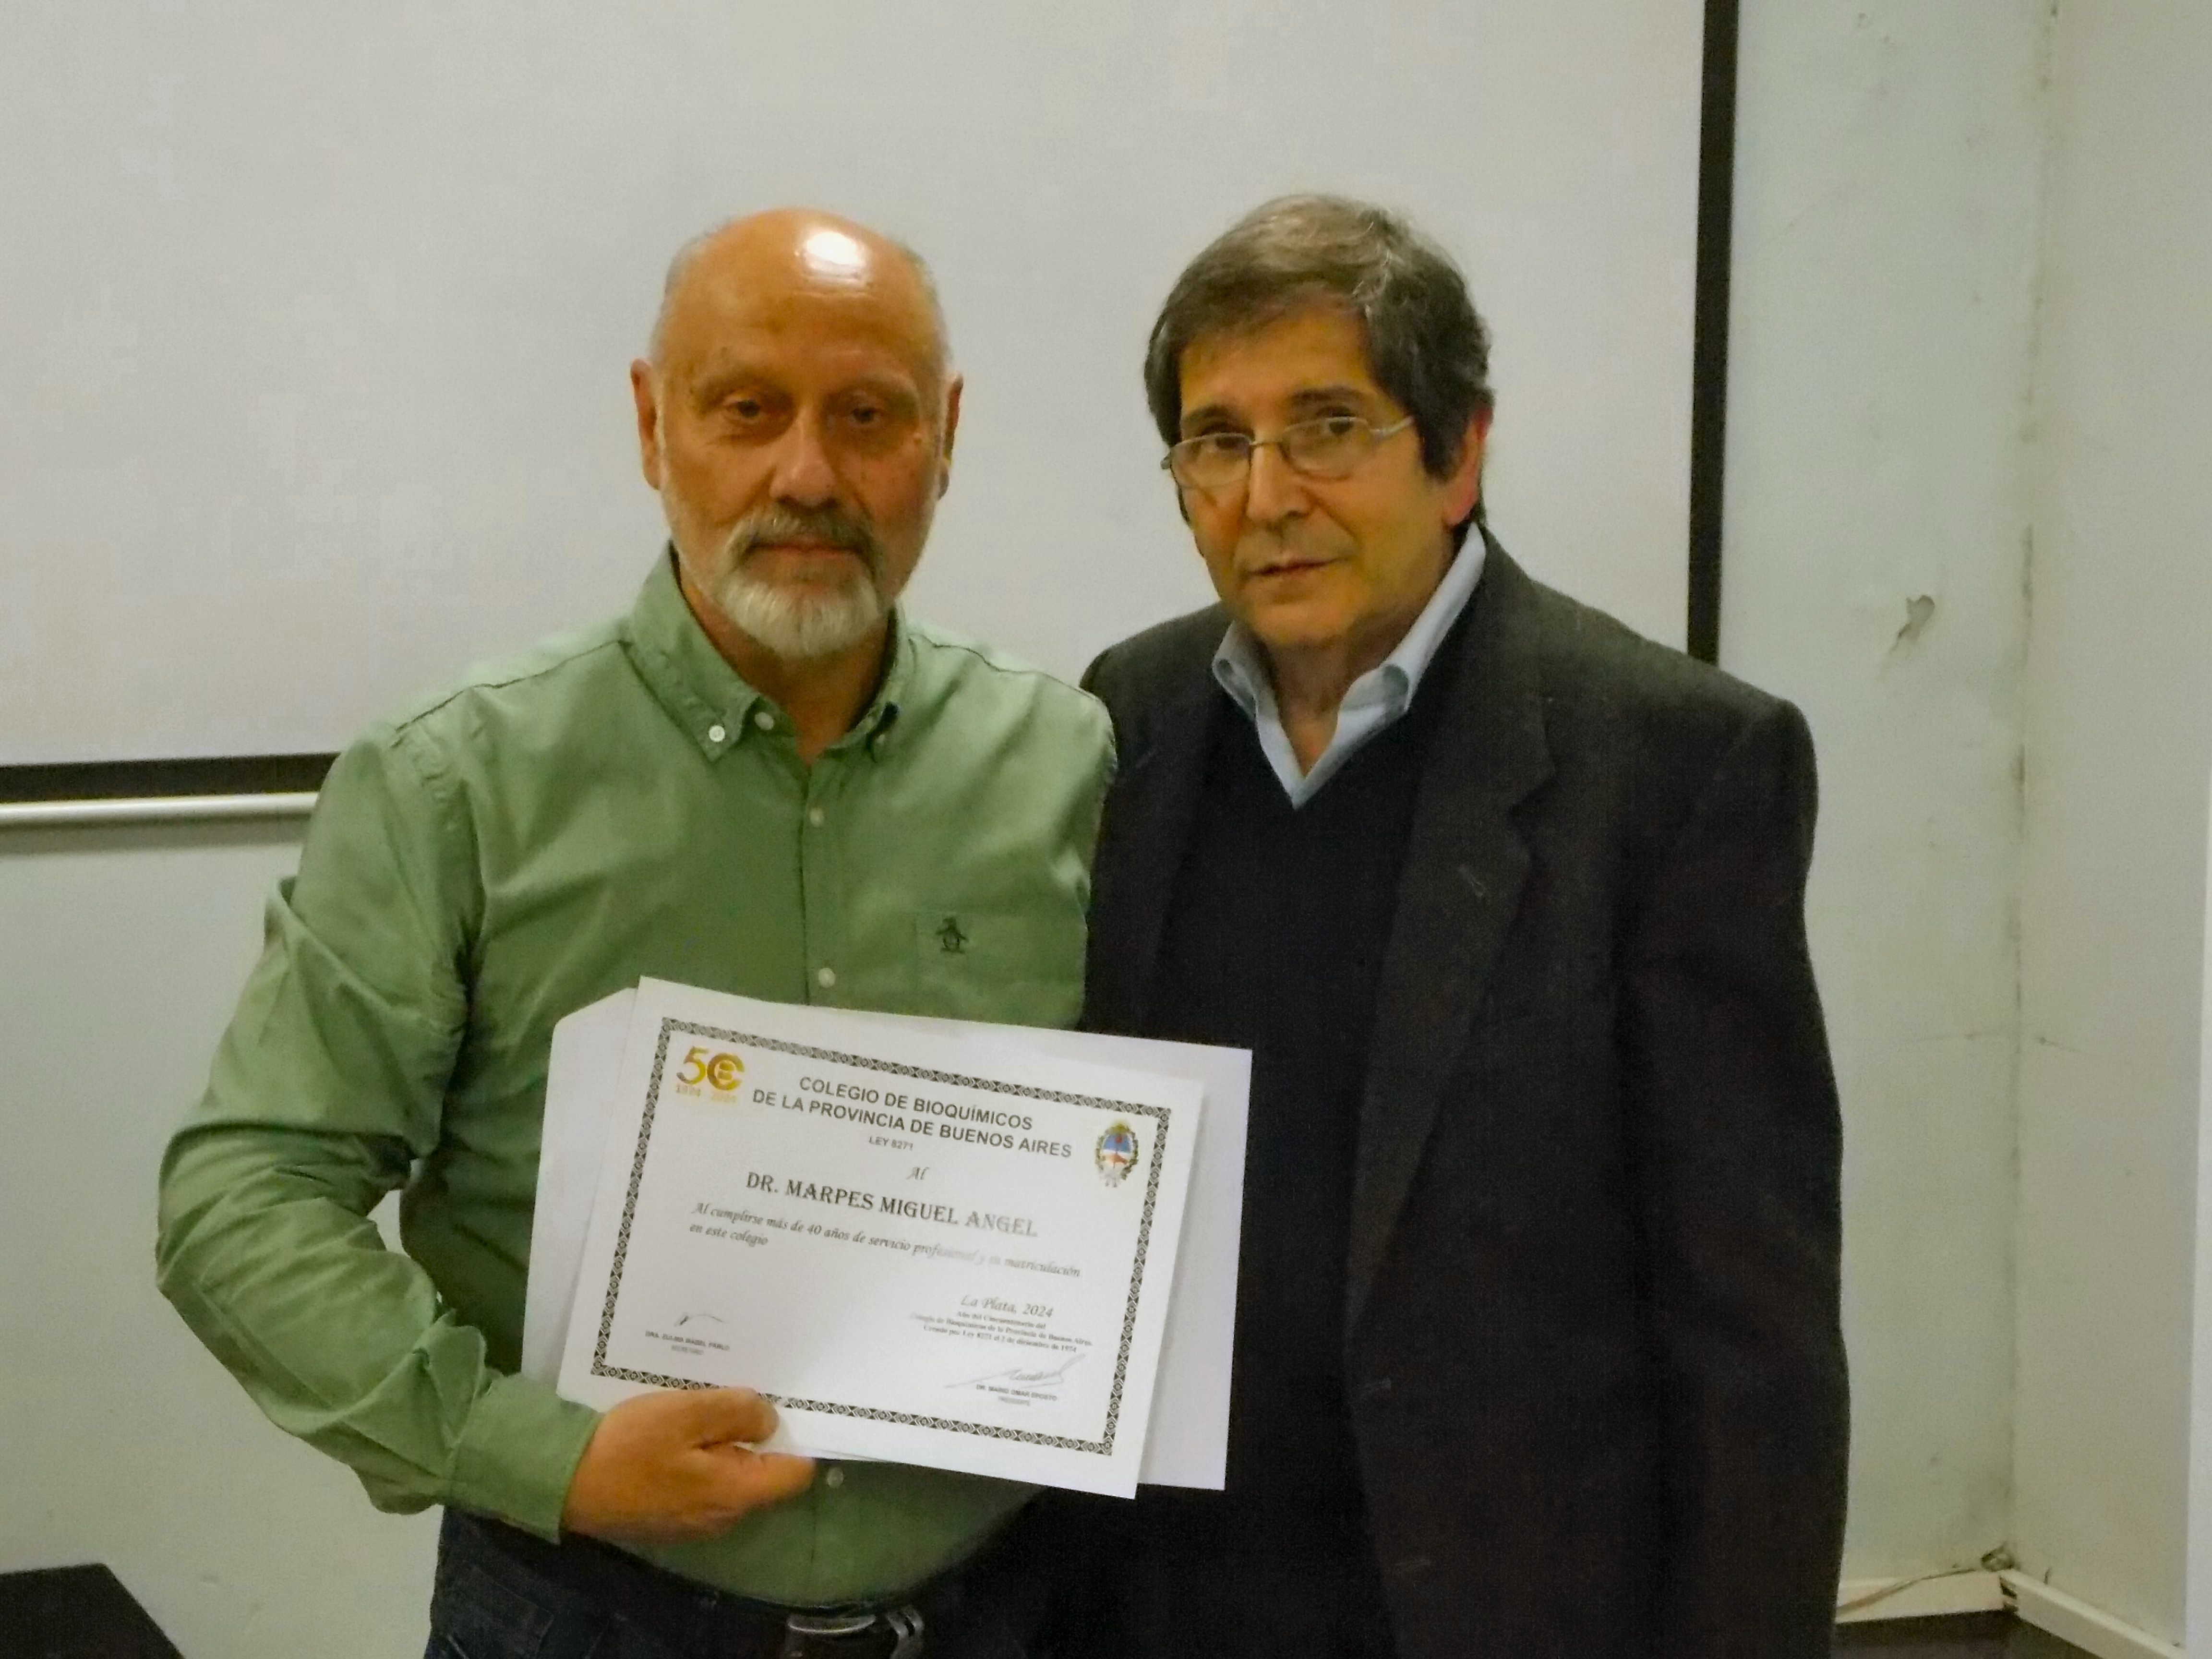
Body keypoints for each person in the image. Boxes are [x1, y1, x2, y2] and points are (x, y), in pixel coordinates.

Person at [156, 209, 1113, 1659]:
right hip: (586, 1615)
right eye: (748, 411)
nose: (809, 476)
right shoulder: (457, 783)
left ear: (946, 438)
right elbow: (246, 1195)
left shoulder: (1072, 764)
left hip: (1008, 1611)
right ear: (652, 426)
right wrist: (543, 1458)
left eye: (868, 416)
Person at [1057, 195, 1848, 1658]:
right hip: (1167, 1598)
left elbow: (1753, 1344)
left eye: (1328, 428)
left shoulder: (1675, 767)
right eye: (1217, 442)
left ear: (1459, 452)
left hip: (1496, 1609)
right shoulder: (1129, 714)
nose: (1267, 495)